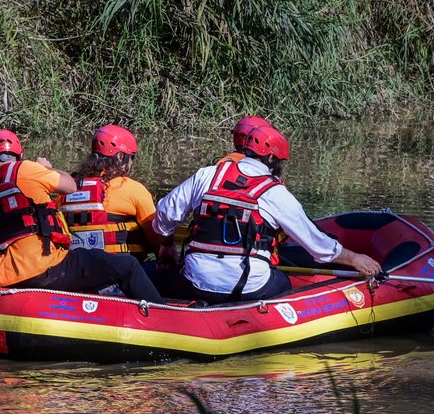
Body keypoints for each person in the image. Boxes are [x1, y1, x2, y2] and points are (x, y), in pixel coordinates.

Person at [151, 123, 382, 304]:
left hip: (194, 280)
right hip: (247, 287)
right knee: (282, 280)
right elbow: (318, 246)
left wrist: (167, 245)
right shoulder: (274, 192)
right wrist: (354, 258)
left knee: (158, 274)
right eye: (280, 161)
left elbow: (163, 213)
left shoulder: (207, 175)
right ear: (271, 159)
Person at [0, 129, 165, 303]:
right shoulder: (26, 169)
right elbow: (70, 185)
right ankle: (163, 318)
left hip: (2, 278)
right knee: (128, 266)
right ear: (19, 154)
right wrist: (46, 168)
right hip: (45, 270)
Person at [57, 124, 158, 260]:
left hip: (77, 272)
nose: (131, 163)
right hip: (121, 272)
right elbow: (156, 239)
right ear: (121, 156)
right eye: (131, 157)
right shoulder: (132, 189)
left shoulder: (66, 190)